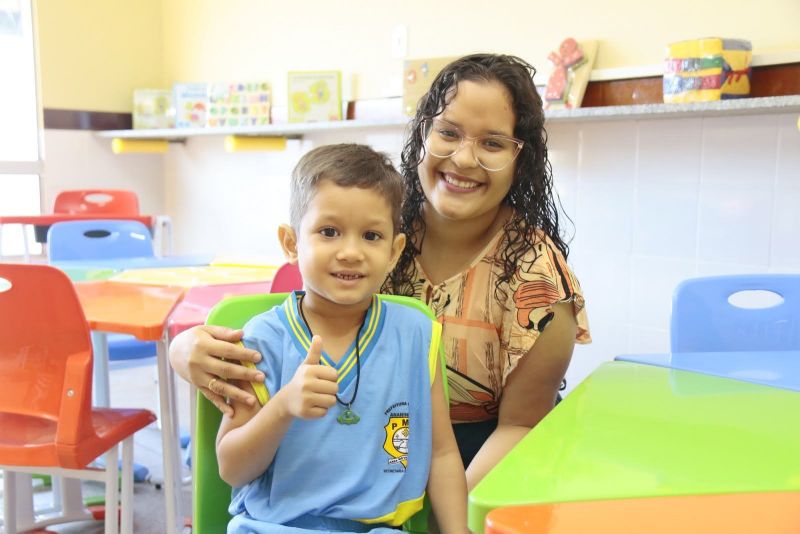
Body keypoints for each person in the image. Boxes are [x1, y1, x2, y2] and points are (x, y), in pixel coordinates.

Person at [170, 53, 590, 491]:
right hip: (359, 465)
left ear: (520, 160)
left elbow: (520, 427)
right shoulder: (370, 230)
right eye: (448, 133)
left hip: (477, 472)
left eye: (492, 143)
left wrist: (440, 514)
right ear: (423, 134)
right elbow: (288, 320)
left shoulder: (536, 277)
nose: (464, 159)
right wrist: (184, 347)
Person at [215, 144, 468, 533]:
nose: (351, 252)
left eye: (371, 235)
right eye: (329, 232)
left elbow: (442, 452)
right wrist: (283, 407)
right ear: (291, 242)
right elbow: (232, 468)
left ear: (394, 251)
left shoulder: (416, 335)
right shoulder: (261, 340)